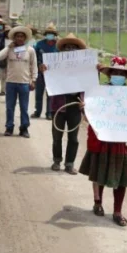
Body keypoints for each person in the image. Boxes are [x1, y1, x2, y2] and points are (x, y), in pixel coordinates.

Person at [79, 56, 127, 226]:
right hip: (104, 140)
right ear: (109, 75)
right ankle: (98, 202)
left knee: (122, 178)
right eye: (115, 72)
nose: (118, 75)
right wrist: (85, 109)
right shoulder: (99, 93)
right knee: (101, 173)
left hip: (124, 142)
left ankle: (117, 210)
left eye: (121, 73)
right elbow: (90, 116)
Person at [47, 33, 88, 174]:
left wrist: (97, 70)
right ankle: (56, 160)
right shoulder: (55, 65)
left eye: (73, 47)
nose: (70, 50)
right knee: (57, 136)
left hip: (75, 105)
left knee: (73, 137)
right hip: (58, 104)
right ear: (62, 50)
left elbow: (91, 84)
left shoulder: (84, 67)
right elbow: (48, 80)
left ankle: (69, 163)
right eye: (67, 47)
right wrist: (44, 70)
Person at [0, 26, 38, 138]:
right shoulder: (9, 49)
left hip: (24, 83)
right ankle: (9, 127)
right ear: (14, 38)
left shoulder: (30, 50)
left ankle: (24, 128)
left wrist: (33, 80)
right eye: (17, 36)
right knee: (10, 107)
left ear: (25, 38)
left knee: (24, 108)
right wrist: (8, 47)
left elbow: (34, 66)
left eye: (21, 36)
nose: (19, 38)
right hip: (10, 82)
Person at [33, 24, 59, 119]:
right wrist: (39, 65)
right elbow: (34, 57)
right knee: (39, 92)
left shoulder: (58, 46)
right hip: (40, 72)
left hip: (53, 73)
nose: (50, 35)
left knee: (50, 94)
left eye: (52, 34)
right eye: (48, 33)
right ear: (45, 34)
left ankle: (49, 113)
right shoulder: (39, 44)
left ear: (55, 35)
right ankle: (37, 111)